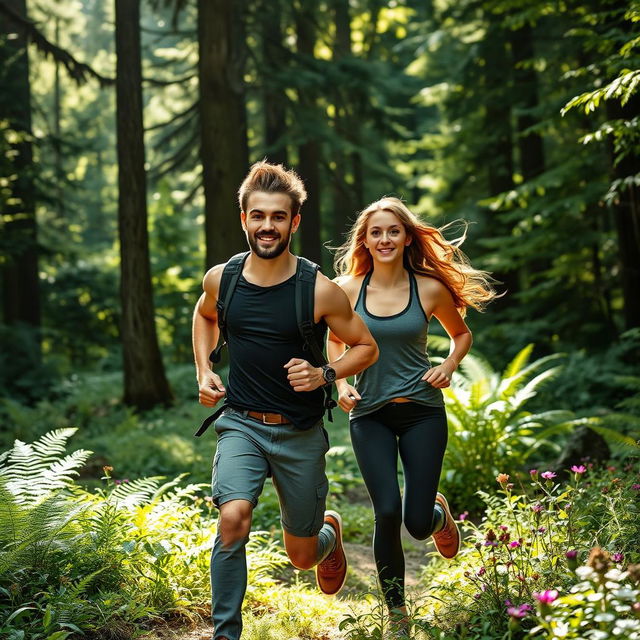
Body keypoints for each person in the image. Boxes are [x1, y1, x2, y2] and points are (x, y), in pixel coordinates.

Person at [192, 161, 379, 640]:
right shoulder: (224, 279)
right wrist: (205, 368)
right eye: (258, 216)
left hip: (299, 434)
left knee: (300, 556)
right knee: (233, 518)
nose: (267, 226)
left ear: (294, 222)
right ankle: (225, 634)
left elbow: (365, 346)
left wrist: (324, 374)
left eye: (278, 217)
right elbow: (203, 314)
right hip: (242, 425)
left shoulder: (318, 289)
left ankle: (327, 535)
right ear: (244, 220)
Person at [328, 197, 495, 634]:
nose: (384, 239)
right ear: (364, 239)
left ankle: (435, 515)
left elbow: (461, 335)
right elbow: (332, 342)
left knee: (416, 524)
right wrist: (342, 384)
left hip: (422, 412)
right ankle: (397, 613)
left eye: (393, 231)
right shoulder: (345, 288)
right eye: (376, 232)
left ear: (406, 237)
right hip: (370, 415)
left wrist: (447, 366)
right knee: (386, 511)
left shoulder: (429, 287)